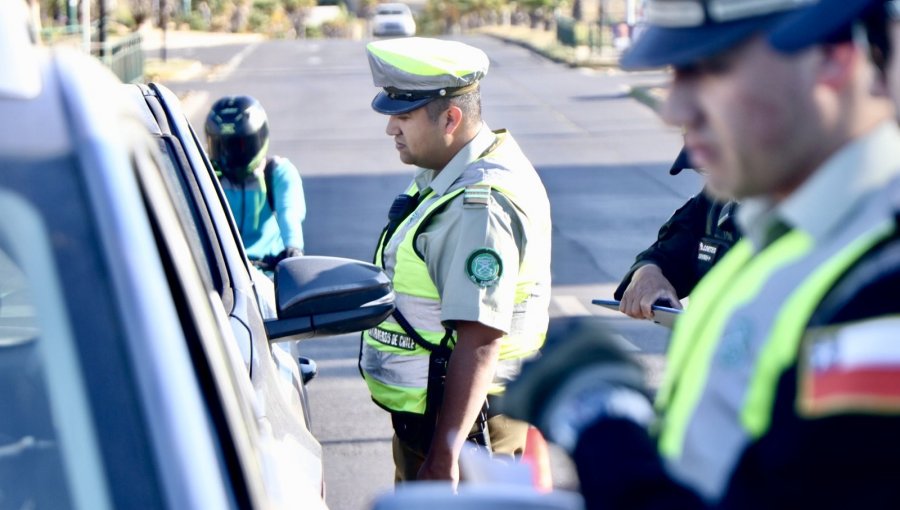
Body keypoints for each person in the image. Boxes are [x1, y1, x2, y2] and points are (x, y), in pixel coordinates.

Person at [503, 0, 900, 507]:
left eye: (712, 68)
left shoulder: (883, 287)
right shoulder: (788, 231)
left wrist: (604, 427)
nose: (674, 110)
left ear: (835, 57)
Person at [357, 37, 552, 486]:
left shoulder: (479, 205)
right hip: (445, 425)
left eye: (403, 116)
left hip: (466, 435)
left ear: (451, 118)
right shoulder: (448, 175)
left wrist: (445, 457)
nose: (391, 129)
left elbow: (480, 337)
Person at [614, 146, 740, 318]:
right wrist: (648, 272)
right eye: (703, 170)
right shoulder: (712, 200)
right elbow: (669, 251)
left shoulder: (786, 220)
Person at [205, 95, 306, 269]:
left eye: (240, 145)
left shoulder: (278, 172)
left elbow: (289, 213)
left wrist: (294, 248)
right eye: (222, 146)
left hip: (267, 275)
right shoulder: (206, 174)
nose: (230, 154)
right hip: (219, 273)